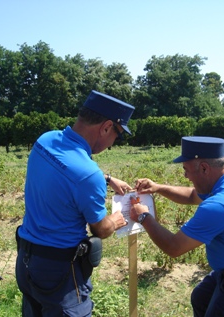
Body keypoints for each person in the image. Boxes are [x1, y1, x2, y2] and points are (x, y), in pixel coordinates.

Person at [130, 136, 224, 317]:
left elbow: (174, 247)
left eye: (186, 169)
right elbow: (192, 196)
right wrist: (158, 187)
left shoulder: (221, 204)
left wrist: (143, 216)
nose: (185, 176)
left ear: (204, 168)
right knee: (201, 298)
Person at [16, 90, 134, 316]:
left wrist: (107, 179)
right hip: (60, 274)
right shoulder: (88, 175)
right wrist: (118, 220)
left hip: (26, 261)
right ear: (107, 126)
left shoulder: (45, 140)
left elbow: (64, 170)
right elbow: (99, 228)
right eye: (117, 135)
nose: (113, 143)